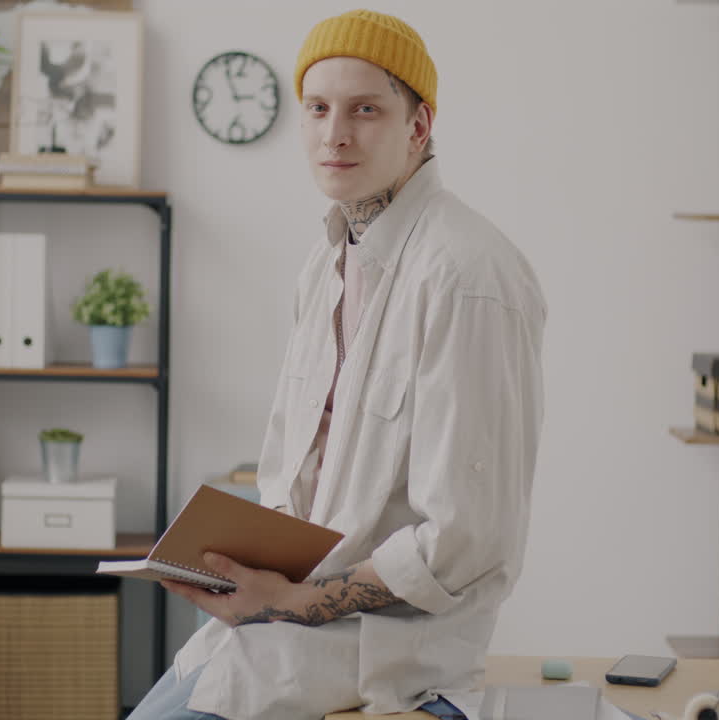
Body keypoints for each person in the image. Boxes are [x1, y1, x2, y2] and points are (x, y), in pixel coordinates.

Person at [128, 9, 546, 720]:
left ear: (419, 126)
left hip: (386, 654)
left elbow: (467, 537)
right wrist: (243, 571)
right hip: (280, 629)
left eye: (365, 110)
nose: (335, 133)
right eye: (318, 109)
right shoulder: (324, 264)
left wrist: (294, 601)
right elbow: (295, 479)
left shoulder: (467, 274)